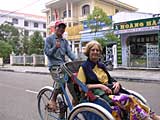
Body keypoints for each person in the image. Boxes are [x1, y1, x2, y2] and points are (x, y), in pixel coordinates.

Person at [77, 41, 160, 120]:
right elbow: (81, 87)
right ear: (88, 52)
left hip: (110, 91)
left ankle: (150, 115)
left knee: (132, 97)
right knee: (128, 99)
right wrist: (100, 86)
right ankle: (147, 118)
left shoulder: (100, 66)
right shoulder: (83, 67)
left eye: (97, 50)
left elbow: (110, 79)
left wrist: (116, 83)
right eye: (93, 50)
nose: (95, 52)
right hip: (97, 95)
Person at [44, 21, 76, 113]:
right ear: (55, 28)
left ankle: (75, 99)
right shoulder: (49, 39)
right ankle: (53, 99)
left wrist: (77, 61)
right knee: (61, 79)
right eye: (59, 27)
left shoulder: (65, 42)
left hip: (63, 65)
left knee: (74, 79)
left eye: (63, 28)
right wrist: (55, 47)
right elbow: (47, 53)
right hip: (54, 66)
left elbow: (70, 53)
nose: (61, 29)